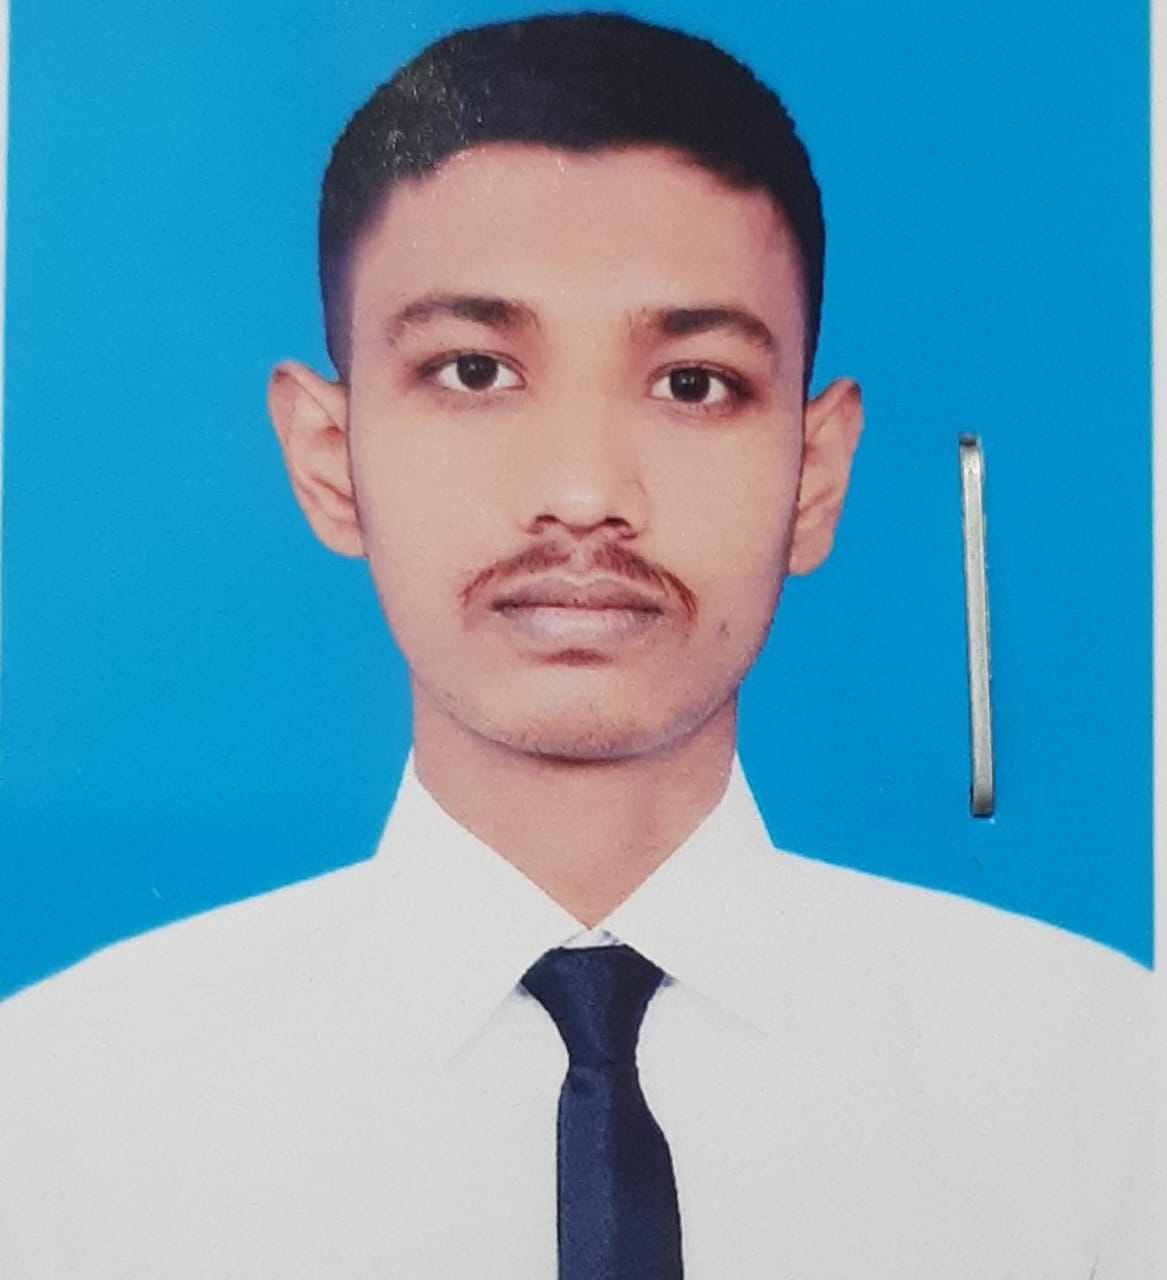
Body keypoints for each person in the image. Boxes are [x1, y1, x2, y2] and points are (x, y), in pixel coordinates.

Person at [0, 13, 1151, 1278]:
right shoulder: (58, 1116)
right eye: (474, 370)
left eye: (694, 383)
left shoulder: (1100, 1085)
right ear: (329, 458)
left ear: (816, 475)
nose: (586, 491)